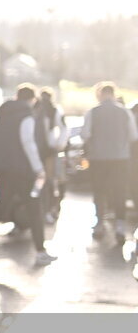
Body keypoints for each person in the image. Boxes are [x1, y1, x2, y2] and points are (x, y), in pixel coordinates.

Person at [0, 84, 56, 267]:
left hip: (2, 168)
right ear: (32, 99)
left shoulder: (2, 115)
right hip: (22, 171)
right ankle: (40, 251)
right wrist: (38, 168)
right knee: (34, 208)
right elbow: (28, 143)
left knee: (0, 207)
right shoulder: (26, 116)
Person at [81, 82, 137, 244]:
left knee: (99, 190)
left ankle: (100, 223)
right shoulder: (125, 112)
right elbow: (133, 136)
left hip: (99, 158)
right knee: (119, 190)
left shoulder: (93, 112)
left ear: (99, 94)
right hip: (120, 158)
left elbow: (85, 134)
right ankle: (120, 225)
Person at [33, 88, 68, 223]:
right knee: (50, 182)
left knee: (41, 182)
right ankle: (49, 209)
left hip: (40, 151)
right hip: (49, 152)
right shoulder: (54, 110)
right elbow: (64, 129)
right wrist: (58, 145)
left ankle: (44, 210)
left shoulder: (36, 109)